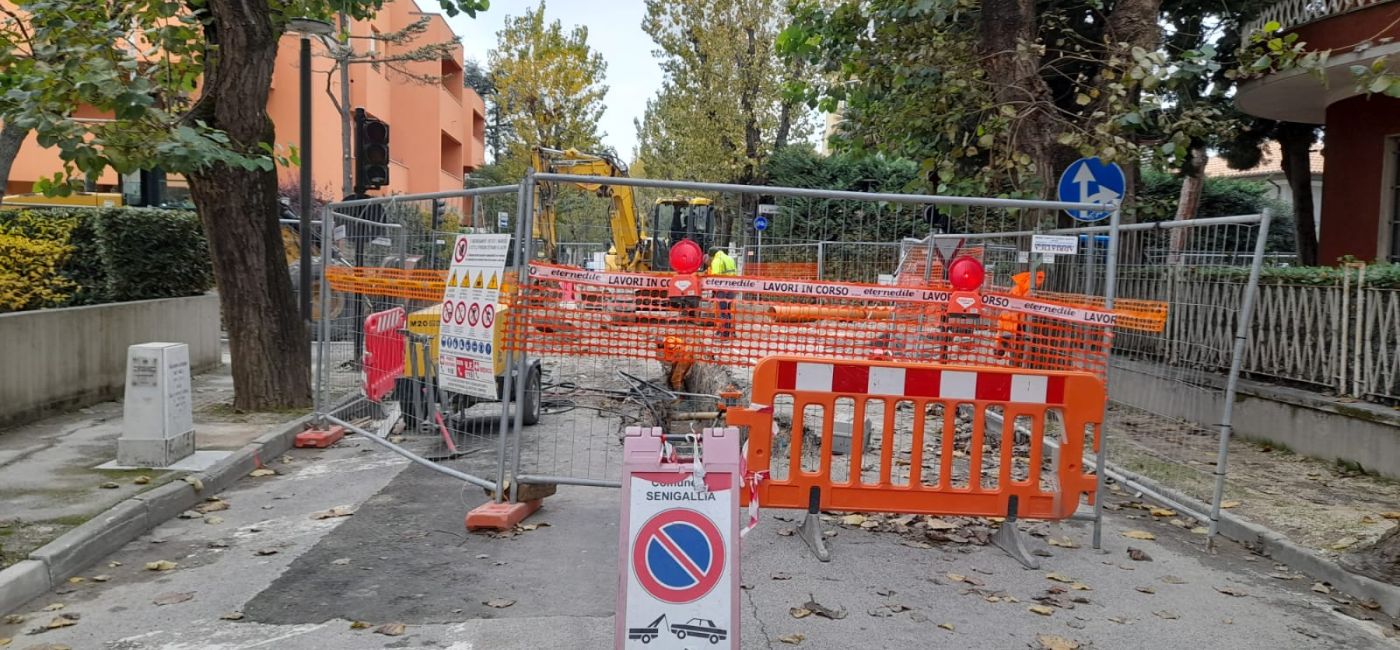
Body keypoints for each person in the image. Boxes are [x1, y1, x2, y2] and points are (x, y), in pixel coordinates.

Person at [707, 246, 738, 337]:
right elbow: (735, 273)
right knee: (728, 311)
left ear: (712, 256)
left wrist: (713, 290)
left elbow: (715, 277)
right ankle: (728, 332)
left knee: (723, 312)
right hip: (731, 288)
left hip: (722, 290)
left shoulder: (716, 260)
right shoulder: (730, 258)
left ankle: (725, 333)